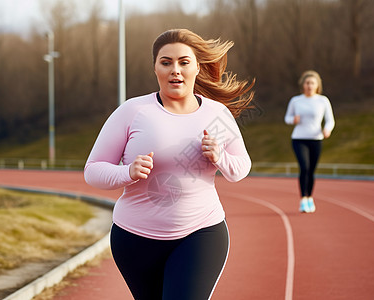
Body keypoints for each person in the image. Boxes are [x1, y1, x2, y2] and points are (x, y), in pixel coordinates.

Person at [84, 29, 254, 300]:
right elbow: (92, 170)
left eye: (184, 62)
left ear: (197, 67)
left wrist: (220, 157)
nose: (175, 70)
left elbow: (241, 167)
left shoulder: (217, 114)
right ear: (155, 68)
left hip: (201, 233)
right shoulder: (132, 111)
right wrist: (126, 172)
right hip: (134, 238)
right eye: (166, 62)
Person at [284, 70, 335, 213]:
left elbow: (330, 120)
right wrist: (293, 120)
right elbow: (287, 118)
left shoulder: (323, 100)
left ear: (317, 85)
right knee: (304, 167)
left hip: (316, 139)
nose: (309, 86)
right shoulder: (296, 100)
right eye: (307, 83)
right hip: (299, 139)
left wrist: (327, 129)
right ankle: (303, 200)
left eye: (312, 83)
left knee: (311, 170)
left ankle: (310, 197)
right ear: (303, 85)